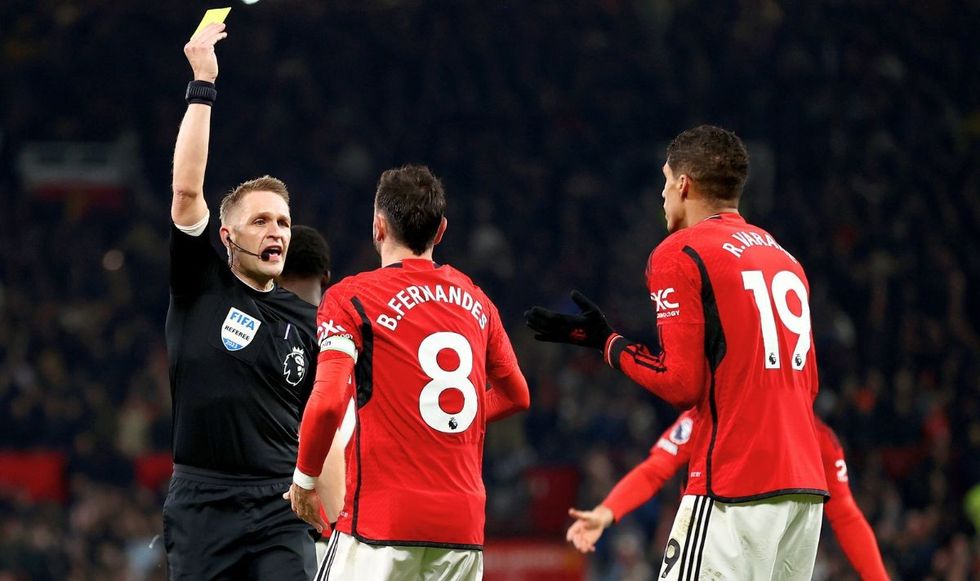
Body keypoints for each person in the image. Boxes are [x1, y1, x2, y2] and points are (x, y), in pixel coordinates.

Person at [526, 125, 828, 579]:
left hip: (733, 484)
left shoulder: (679, 252)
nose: (662, 193)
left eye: (665, 180)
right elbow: (810, 384)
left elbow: (681, 383)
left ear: (684, 184)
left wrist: (609, 345)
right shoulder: (785, 258)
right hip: (803, 491)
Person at [285, 165, 531, 580]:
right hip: (463, 529)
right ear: (441, 231)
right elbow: (516, 395)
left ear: (378, 227)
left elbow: (327, 403)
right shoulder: (477, 301)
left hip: (381, 526)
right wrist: (439, 419)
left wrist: (305, 481)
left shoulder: (350, 298)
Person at [164, 23, 318, 579]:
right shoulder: (201, 285)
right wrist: (203, 82)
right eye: (260, 220)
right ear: (227, 235)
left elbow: (333, 419)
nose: (276, 231)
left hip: (281, 502)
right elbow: (186, 192)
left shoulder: (310, 320)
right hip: (203, 503)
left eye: (283, 222)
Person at [567, 411, 890, 580]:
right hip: (713, 553)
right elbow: (656, 469)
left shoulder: (818, 438)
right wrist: (608, 510)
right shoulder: (713, 415)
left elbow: (846, 515)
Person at [276, 224, 354, 566]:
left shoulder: (266, 336)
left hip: (286, 522)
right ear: (326, 276)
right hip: (350, 523)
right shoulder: (355, 332)